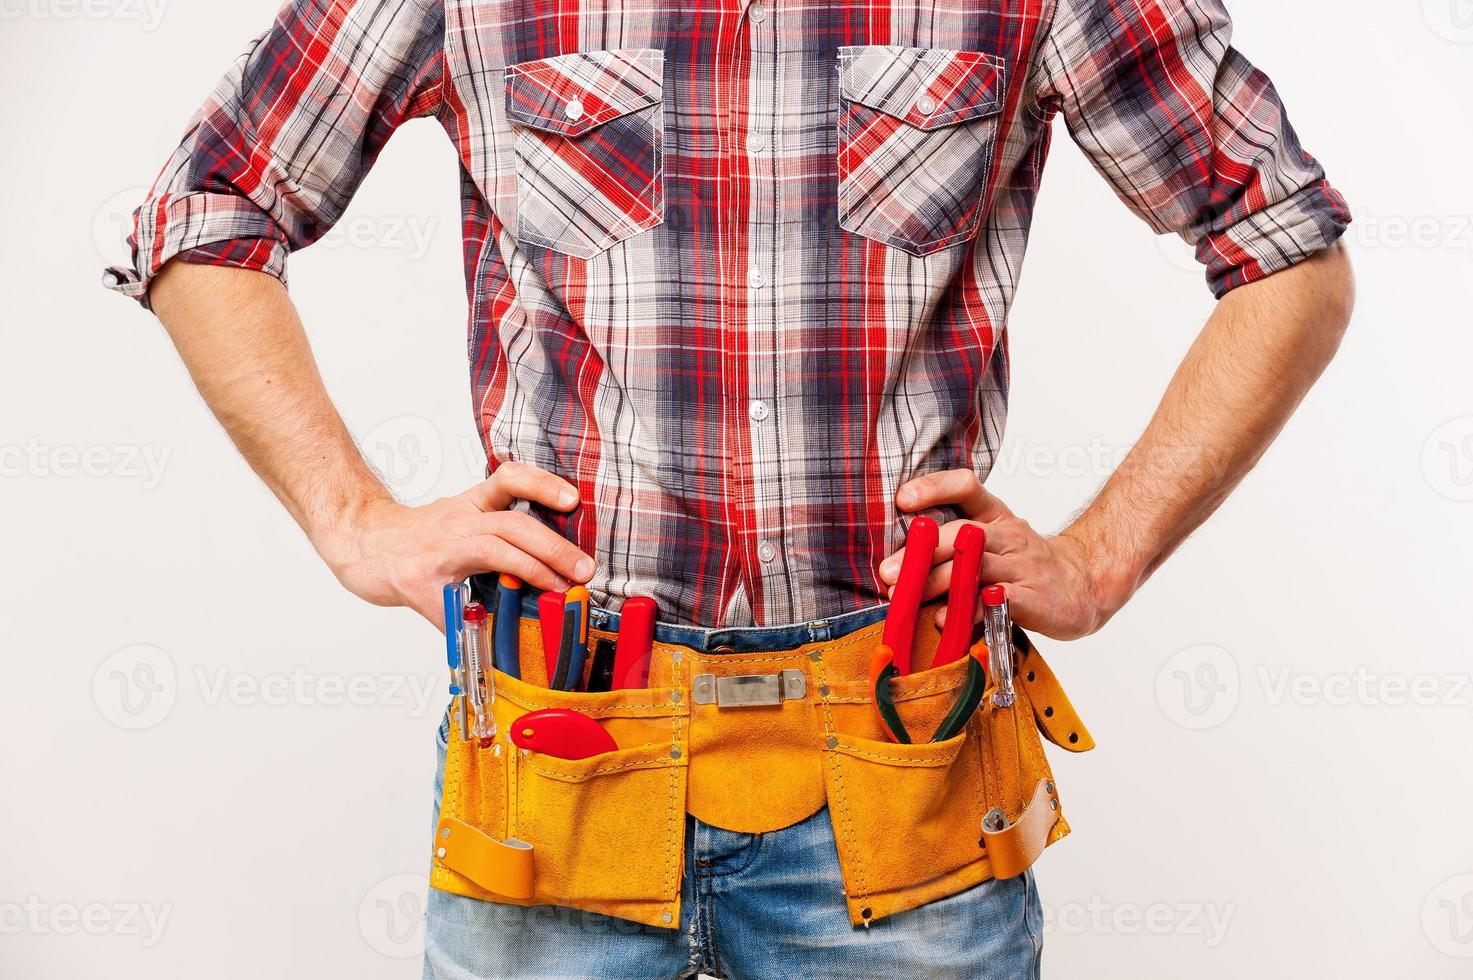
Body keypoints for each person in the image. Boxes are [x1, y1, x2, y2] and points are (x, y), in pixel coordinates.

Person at [106, 0, 1353, 975]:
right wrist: (353, 520)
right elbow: (206, 210)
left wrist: (1103, 554)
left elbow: (1287, 252)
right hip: (562, 751)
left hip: (898, 750)